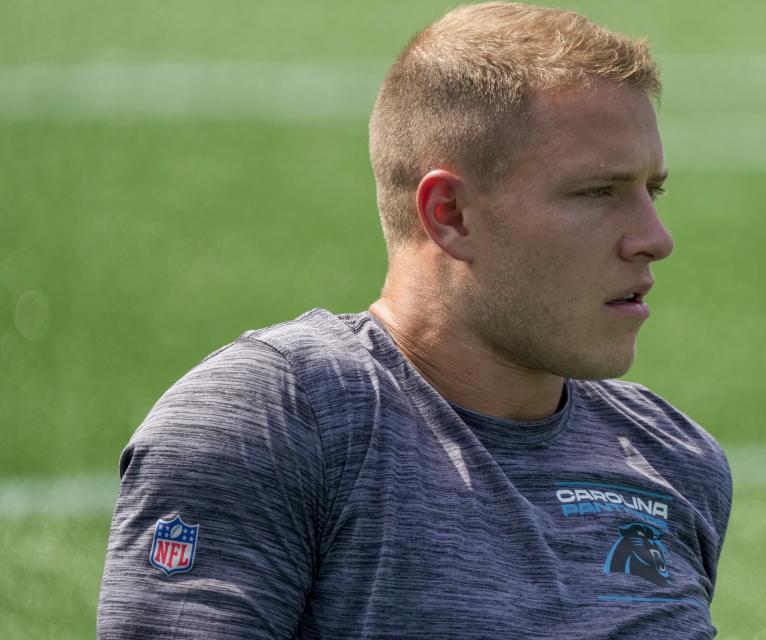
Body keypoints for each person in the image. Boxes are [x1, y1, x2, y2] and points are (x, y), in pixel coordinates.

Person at [97, 2, 732, 638]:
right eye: (598, 192)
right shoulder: (279, 421)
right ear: (450, 214)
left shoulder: (671, 456)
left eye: (653, 191)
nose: (655, 237)